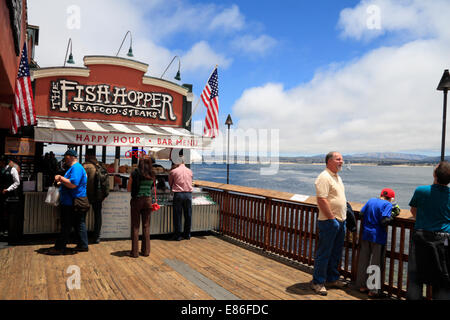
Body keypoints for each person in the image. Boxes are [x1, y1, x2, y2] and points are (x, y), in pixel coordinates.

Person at [407, 161, 450, 300]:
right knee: (443, 277)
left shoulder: (421, 191)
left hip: (422, 236)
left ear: (434, 175)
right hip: (444, 239)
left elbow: (414, 211)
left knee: (415, 277)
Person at [311, 151, 348, 296]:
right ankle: (318, 282)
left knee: (335, 252)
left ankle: (332, 279)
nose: (342, 162)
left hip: (340, 220)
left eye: (342, 159)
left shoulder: (337, 177)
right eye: (338, 159)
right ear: (329, 161)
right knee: (324, 253)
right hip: (329, 221)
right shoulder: (324, 177)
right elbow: (322, 199)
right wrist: (332, 219)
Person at [356, 188, 398, 298]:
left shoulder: (371, 200)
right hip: (378, 236)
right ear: (391, 198)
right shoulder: (387, 205)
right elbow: (384, 221)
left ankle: (361, 286)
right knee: (375, 263)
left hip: (366, 234)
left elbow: (361, 214)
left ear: (381, 195)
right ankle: (372, 290)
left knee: (363, 260)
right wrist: (393, 215)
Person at [48, 149, 89, 255]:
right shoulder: (76, 168)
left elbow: (73, 184)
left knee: (66, 225)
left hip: (72, 202)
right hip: (73, 200)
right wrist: (61, 182)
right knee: (79, 224)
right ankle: (83, 245)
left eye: (66, 157)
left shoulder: (76, 168)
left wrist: (60, 178)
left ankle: (59, 247)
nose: (64, 159)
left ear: (71, 157)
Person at [127, 156, 155, 258]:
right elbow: (152, 187)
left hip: (137, 200)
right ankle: (146, 251)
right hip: (148, 201)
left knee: (135, 226)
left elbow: (128, 189)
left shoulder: (134, 174)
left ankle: (134, 252)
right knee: (146, 226)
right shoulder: (152, 174)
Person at [83, 148, 109, 244]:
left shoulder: (84, 166)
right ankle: (97, 237)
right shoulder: (101, 165)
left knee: (82, 217)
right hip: (98, 195)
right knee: (98, 216)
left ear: (87, 155)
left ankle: (82, 237)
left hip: (85, 195)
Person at [169, 156, 193, 241]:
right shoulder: (190, 171)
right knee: (188, 215)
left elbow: (170, 183)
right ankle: (187, 234)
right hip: (188, 194)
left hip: (178, 194)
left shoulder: (173, 171)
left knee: (177, 215)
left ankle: (178, 235)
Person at [0, 156, 20, 239]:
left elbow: (17, 182)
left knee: (8, 214)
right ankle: (2, 230)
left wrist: (8, 189)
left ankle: (8, 232)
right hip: (1, 195)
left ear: (3, 162)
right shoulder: (1, 169)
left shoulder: (12, 169)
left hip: (9, 195)